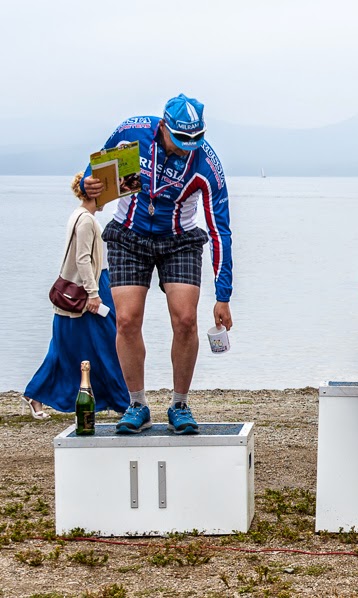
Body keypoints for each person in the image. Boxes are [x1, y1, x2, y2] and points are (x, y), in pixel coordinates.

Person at [81, 93, 234, 435]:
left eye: (194, 141)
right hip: (129, 233)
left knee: (185, 320)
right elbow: (94, 179)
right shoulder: (133, 132)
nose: (186, 148)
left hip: (179, 239)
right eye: (180, 140)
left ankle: (179, 403)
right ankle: (137, 404)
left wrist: (223, 294)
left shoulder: (207, 165)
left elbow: (219, 230)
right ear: (162, 126)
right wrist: (87, 183)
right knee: (126, 319)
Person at [23, 174, 130, 418]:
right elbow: (82, 259)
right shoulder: (85, 220)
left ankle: (35, 394)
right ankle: (123, 401)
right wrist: (94, 294)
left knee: (67, 346)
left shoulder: (81, 216)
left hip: (91, 285)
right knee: (109, 343)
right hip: (90, 288)